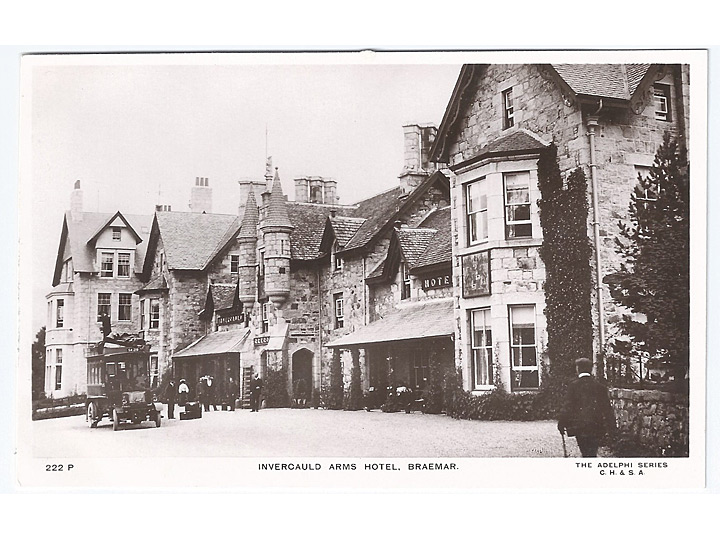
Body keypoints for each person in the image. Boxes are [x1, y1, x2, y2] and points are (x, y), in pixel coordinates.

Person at [557, 357, 617, 457]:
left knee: (585, 452)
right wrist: (612, 427)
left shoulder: (573, 386)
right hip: (596, 426)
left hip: (579, 426)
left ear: (578, 369)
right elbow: (607, 409)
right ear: (591, 369)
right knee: (592, 452)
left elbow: (568, 406)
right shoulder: (600, 387)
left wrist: (562, 423)